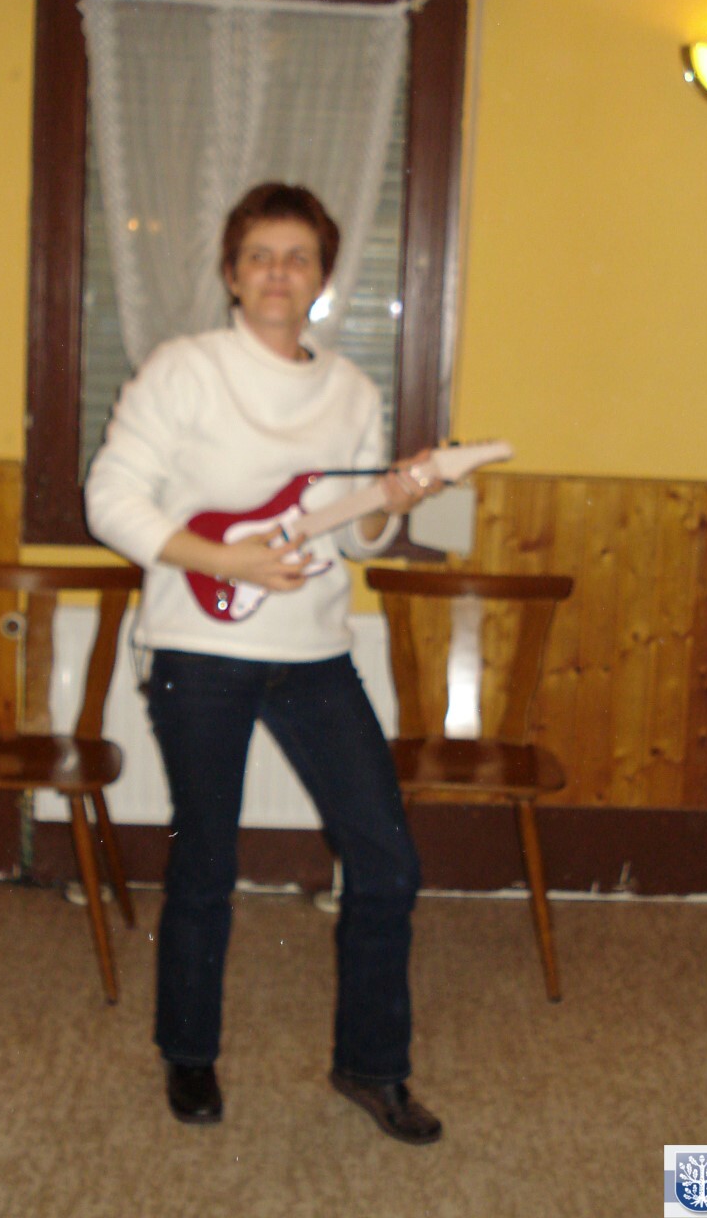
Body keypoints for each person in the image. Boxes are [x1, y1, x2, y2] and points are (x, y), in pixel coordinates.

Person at [84, 181, 445, 1145]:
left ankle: (372, 1065)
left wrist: (392, 501)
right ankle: (189, 1053)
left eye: (299, 257)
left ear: (323, 278)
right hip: (200, 648)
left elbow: (358, 537)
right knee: (206, 859)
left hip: (315, 653)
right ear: (232, 274)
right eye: (260, 256)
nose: (279, 273)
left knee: (387, 858)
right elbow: (110, 498)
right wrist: (223, 559)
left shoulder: (353, 391)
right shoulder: (184, 369)